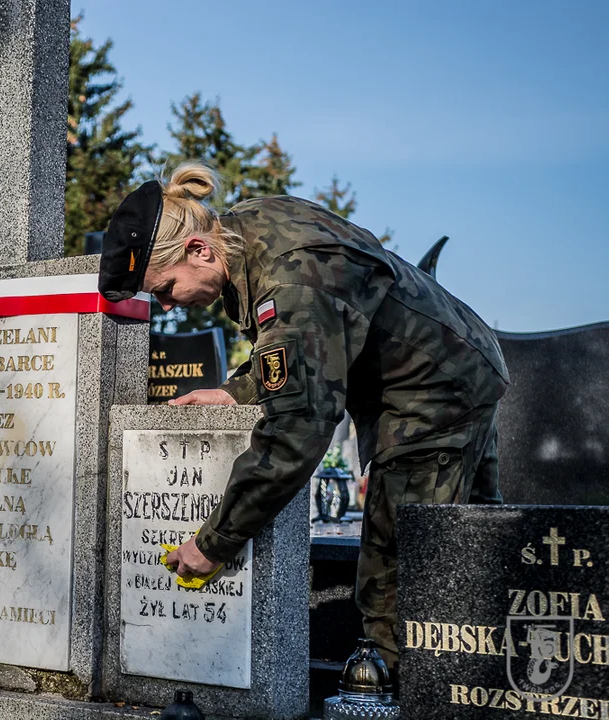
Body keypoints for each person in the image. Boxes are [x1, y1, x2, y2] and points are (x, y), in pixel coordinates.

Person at [98, 162, 508, 668]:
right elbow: (305, 351)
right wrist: (236, 392)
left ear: (198, 251)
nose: (165, 306)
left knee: (401, 591)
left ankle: (413, 694)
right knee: (479, 557)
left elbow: (298, 430)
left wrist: (214, 543)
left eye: (164, 288)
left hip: (432, 394)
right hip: (459, 361)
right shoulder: (243, 228)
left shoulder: (292, 279)